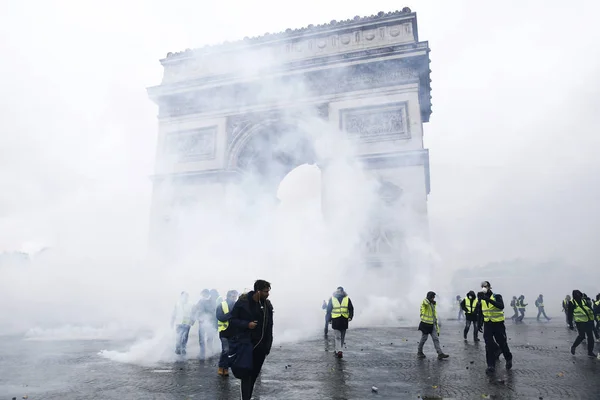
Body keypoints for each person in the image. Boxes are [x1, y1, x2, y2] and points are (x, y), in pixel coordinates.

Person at [229, 279, 274, 400]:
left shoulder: (267, 305)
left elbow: (270, 326)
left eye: (268, 291)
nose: (268, 294)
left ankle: (247, 396)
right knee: (246, 375)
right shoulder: (243, 302)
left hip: (261, 346)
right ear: (258, 291)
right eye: (265, 291)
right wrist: (247, 324)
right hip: (246, 345)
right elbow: (232, 320)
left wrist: (268, 346)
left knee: (254, 375)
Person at [478, 281, 512, 374]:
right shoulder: (481, 298)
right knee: (488, 345)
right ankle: (490, 366)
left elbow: (501, 306)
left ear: (489, 287)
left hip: (498, 324)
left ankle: (508, 358)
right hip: (488, 324)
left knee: (502, 343)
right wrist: (479, 323)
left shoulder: (497, 296)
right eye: (482, 286)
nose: (484, 288)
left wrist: (488, 299)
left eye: (485, 286)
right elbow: (481, 310)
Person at [417, 291, 449, 360]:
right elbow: (426, 302)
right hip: (425, 324)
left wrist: (436, 326)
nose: (434, 299)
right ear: (429, 297)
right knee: (424, 339)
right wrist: (430, 301)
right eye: (433, 297)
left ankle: (440, 353)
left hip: (431, 325)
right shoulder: (425, 302)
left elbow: (434, 315)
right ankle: (419, 352)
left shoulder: (432, 304)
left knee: (435, 339)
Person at [326, 286, 354, 358]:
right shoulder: (332, 299)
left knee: (342, 336)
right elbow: (329, 310)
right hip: (336, 320)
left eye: (340, 291)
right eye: (338, 291)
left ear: (342, 291)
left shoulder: (347, 299)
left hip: (344, 319)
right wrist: (328, 319)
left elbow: (351, 309)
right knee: (338, 336)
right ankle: (339, 351)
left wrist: (350, 317)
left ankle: (338, 350)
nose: (339, 292)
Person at [215, 289, 239, 376]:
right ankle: (221, 367)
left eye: (235, 297)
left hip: (234, 332)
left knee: (230, 352)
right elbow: (220, 317)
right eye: (233, 296)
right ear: (228, 296)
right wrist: (231, 314)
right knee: (226, 350)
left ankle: (226, 367)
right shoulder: (221, 305)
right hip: (224, 332)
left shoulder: (237, 305)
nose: (234, 298)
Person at [567, 290, 597, 357]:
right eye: (577, 295)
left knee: (590, 337)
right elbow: (570, 314)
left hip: (588, 321)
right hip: (580, 322)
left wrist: (593, 318)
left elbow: (590, 309)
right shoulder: (572, 303)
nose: (579, 296)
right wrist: (570, 324)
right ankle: (573, 346)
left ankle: (590, 352)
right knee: (582, 336)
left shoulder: (584, 301)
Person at [194, 288, 218, 360]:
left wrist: (215, 324)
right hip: (202, 323)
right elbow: (196, 310)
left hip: (209, 323)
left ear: (207, 294)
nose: (203, 296)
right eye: (202, 294)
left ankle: (210, 353)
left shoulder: (212, 302)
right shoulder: (200, 301)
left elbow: (214, 312)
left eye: (204, 294)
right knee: (201, 339)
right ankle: (202, 354)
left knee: (209, 339)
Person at [170, 291, 194, 356]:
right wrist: (172, 322)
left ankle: (183, 349)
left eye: (186, 296)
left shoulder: (191, 304)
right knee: (178, 337)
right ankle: (177, 350)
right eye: (184, 296)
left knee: (185, 337)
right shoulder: (177, 304)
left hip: (187, 324)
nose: (185, 297)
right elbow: (174, 313)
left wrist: (192, 321)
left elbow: (193, 313)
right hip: (179, 323)